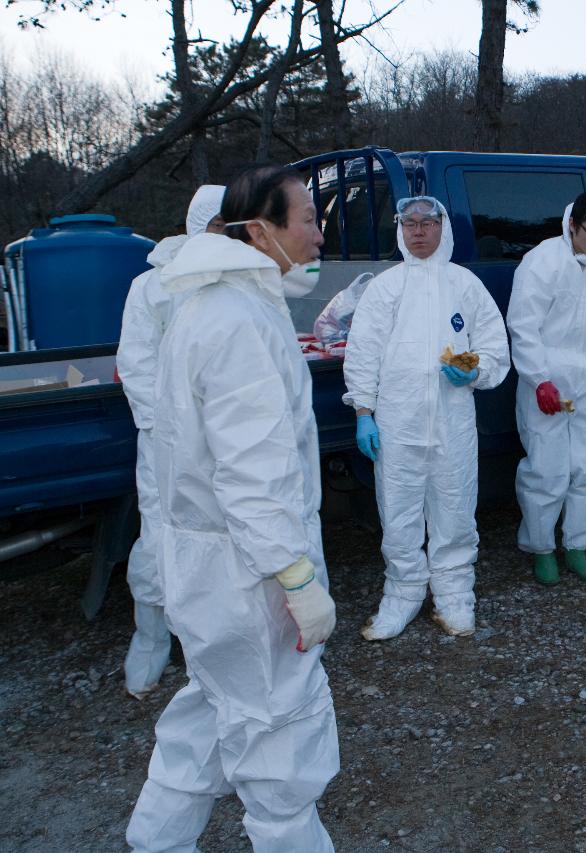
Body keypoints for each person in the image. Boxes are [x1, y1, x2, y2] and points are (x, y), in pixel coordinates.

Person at [126, 166, 339, 851]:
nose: (318, 231)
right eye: (306, 218)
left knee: (211, 709)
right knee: (279, 733)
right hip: (249, 574)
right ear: (260, 230)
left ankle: (156, 840)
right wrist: (296, 578)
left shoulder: (219, 305)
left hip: (213, 564)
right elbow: (254, 475)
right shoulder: (237, 320)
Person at [342, 196, 511, 641]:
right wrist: (364, 412)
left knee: (455, 508)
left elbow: (495, 346)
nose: (418, 231)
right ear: (399, 228)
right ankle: (403, 591)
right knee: (398, 511)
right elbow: (362, 355)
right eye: (409, 223)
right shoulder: (386, 287)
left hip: (453, 423)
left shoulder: (465, 285)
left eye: (427, 223)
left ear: (442, 227)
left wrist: (476, 371)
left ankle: (455, 593)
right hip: (398, 425)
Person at [116, 184, 224, 699]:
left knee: (224, 540)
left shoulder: (239, 280)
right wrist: (169, 428)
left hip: (225, 439)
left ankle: (211, 646)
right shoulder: (153, 286)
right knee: (162, 536)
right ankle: (153, 639)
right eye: (223, 224)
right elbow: (136, 363)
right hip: (168, 442)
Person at [507, 191, 586, 585]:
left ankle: (577, 545)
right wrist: (538, 379)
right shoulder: (542, 261)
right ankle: (542, 548)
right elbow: (523, 325)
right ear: (572, 226)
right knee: (546, 467)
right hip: (547, 372)